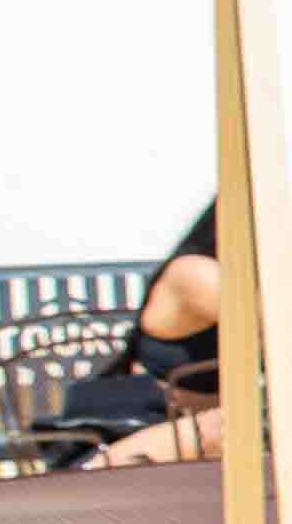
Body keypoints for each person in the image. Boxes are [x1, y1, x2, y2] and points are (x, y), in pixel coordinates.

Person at [54, 199, 227, 468]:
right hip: (133, 429)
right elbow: (268, 316)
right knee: (236, 426)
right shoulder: (192, 272)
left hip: (196, 430)